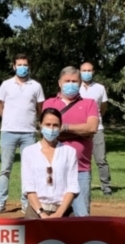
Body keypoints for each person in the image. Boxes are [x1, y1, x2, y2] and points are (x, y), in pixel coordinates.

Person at [0, 53, 45, 214]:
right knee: (5, 169)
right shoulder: (6, 85)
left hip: (28, 133)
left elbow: (40, 108)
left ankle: (25, 202)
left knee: (28, 170)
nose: (22, 67)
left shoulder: (36, 86)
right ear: (14, 66)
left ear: (29, 67)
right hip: (8, 132)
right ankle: (1, 202)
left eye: (25, 65)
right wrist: (9, 119)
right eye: (19, 64)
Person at [42, 67, 99, 216]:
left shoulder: (90, 103)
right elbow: (50, 133)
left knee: (82, 215)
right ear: (59, 83)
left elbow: (92, 128)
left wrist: (64, 128)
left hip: (81, 169)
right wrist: (81, 133)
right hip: (53, 169)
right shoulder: (49, 103)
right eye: (67, 81)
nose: (71, 84)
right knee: (52, 214)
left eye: (74, 81)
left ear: (80, 83)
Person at [22, 108, 79, 219]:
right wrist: (41, 213)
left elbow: (72, 186)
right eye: (47, 124)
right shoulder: (29, 152)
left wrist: (59, 213)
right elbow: (29, 187)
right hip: (36, 211)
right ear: (40, 125)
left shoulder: (69, 152)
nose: (51, 129)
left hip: (63, 211)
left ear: (60, 126)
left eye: (55, 125)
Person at [80, 61, 113, 195]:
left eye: (89, 70)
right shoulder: (75, 87)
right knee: (79, 159)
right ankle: (80, 186)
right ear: (80, 71)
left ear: (93, 72)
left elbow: (103, 107)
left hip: (97, 128)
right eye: (84, 70)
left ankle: (106, 187)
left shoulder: (100, 88)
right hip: (80, 129)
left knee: (101, 159)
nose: (87, 73)